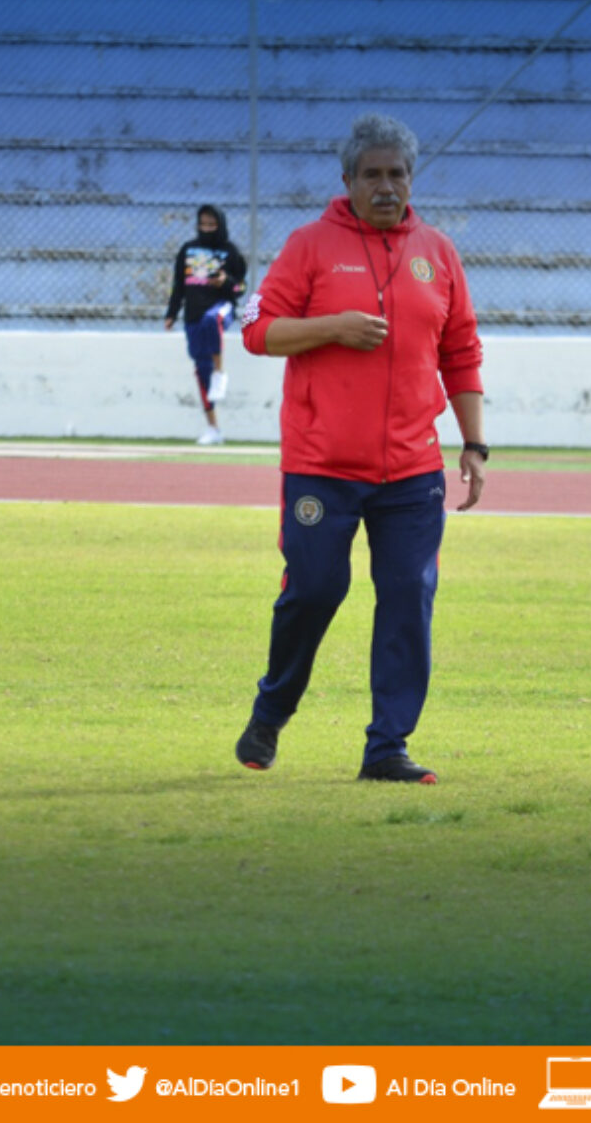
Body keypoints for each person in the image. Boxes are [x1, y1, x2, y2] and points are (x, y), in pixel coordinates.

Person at [232, 113, 487, 784]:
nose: (385, 186)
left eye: (396, 174)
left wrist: (475, 442)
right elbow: (256, 330)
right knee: (315, 589)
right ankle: (272, 709)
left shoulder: (438, 253)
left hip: (413, 470)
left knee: (409, 595)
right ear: (347, 181)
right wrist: (332, 327)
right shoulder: (310, 246)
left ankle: (387, 749)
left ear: (411, 180)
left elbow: (461, 349)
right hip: (322, 466)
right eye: (371, 174)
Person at [163, 204, 246, 446]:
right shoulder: (187, 250)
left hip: (221, 306)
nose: (207, 229)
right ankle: (213, 428)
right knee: (201, 370)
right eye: (203, 225)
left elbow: (241, 287)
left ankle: (220, 372)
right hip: (192, 314)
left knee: (213, 319)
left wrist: (225, 281)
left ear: (220, 225)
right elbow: (179, 285)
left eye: (212, 225)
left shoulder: (231, 252)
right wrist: (172, 313)